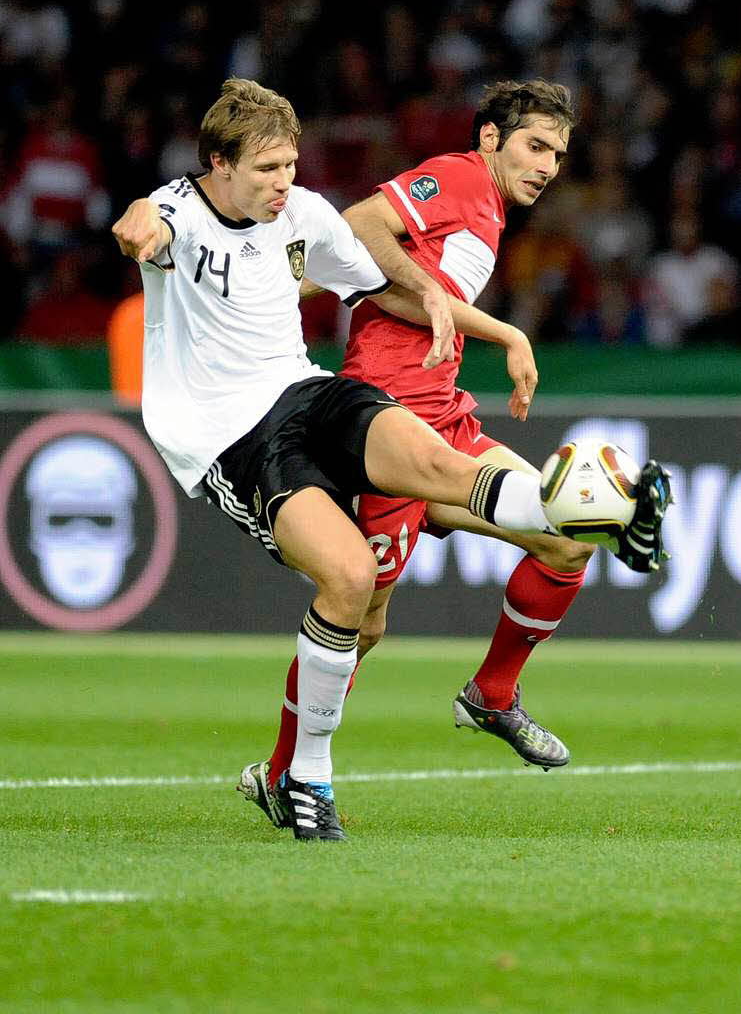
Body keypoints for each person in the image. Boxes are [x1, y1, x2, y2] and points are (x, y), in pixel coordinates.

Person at [112, 78, 670, 842]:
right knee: (356, 598)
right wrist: (141, 228)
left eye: (292, 166)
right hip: (235, 434)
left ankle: (588, 523)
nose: (286, 183)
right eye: (268, 169)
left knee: (490, 502)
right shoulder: (178, 209)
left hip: (317, 394)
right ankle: (294, 770)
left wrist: (441, 304)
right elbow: (150, 224)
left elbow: (367, 273)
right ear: (218, 163)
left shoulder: (300, 212)